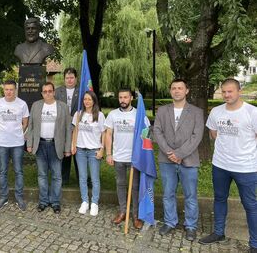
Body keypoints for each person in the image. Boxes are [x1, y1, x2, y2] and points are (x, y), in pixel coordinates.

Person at [199, 78, 257, 252]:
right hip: (221, 165)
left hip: (246, 167)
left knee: (250, 204)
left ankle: (254, 243)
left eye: (230, 91)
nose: (226, 95)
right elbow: (214, 134)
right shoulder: (216, 112)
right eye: (224, 91)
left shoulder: (252, 112)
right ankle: (218, 232)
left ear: (239, 91)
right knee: (219, 198)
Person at [153, 78, 204, 241]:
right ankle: (170, 221)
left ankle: (190, 226)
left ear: (186, 91)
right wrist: (170, 152)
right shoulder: (162, 111)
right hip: (166, 159)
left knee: (190, 195)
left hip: (189, 160)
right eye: (173, 88)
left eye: (180, 88)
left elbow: (197, 136)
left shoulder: (196, 112)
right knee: (168, 193)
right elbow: (157, 132)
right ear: (170, 91)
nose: (176, 91)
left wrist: (180, 154)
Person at [104, 88, 148, 229]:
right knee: (120, 185)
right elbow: (108, 134)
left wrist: (141, 154)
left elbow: (146, 133)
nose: (123, 100)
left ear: (131, 98)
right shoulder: (112, 114)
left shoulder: (139, 114)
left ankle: (135, 215)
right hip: (119, 157)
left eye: (125, 97)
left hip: (134, 158)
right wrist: (109, 154)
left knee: (135, 187)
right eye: (120, 97)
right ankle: (123, 211)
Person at [26, 82, 72, 213]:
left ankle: (56, 202)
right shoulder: (36, 105)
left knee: (57, 176)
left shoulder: (63, 107)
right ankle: (43, 201)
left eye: (50, 91)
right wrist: (29, 144)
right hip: (40, 145)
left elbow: (68, 129)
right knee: (42, 175)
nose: (47, 93)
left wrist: (67, 147)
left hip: (56, 145)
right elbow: (31, 126)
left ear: (54, 92)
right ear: (42, 93)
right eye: (45, 91)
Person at [0, 79, 29, 211]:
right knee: (3, 171)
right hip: (2, 143)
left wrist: (18, 133)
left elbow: (25, 122)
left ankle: (19, 197)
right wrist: (1, 133)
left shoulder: (22, 104)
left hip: (18, 143)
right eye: (6, 89)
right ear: (4, 90)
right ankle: (3, 197)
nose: (9, 92)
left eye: (11, 89)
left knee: (18, 171)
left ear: (15, 90)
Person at [72, 91, 106, 216]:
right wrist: (73, 145)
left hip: (94, 151)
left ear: (94, 101)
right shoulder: (78, 114)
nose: (87, 101)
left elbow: (104, 133)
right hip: (80, 150)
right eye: (85, 99)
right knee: (82, 178)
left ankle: (94, 203)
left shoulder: (100, 115)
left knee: (95, 179)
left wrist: (102, 149)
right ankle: (85, 201)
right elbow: (75, 131)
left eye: (89, 99)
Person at [55, 67, 80, 185]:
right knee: (65, 152)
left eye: (72, 78)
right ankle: (64, 178)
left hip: (78, 127)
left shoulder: (82, 91)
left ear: (76, 78)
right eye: (67, 78)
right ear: (64, 79)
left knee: (78, 152)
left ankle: (82, 178)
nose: (69, 80)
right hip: (62, 126)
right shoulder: (58, 91)